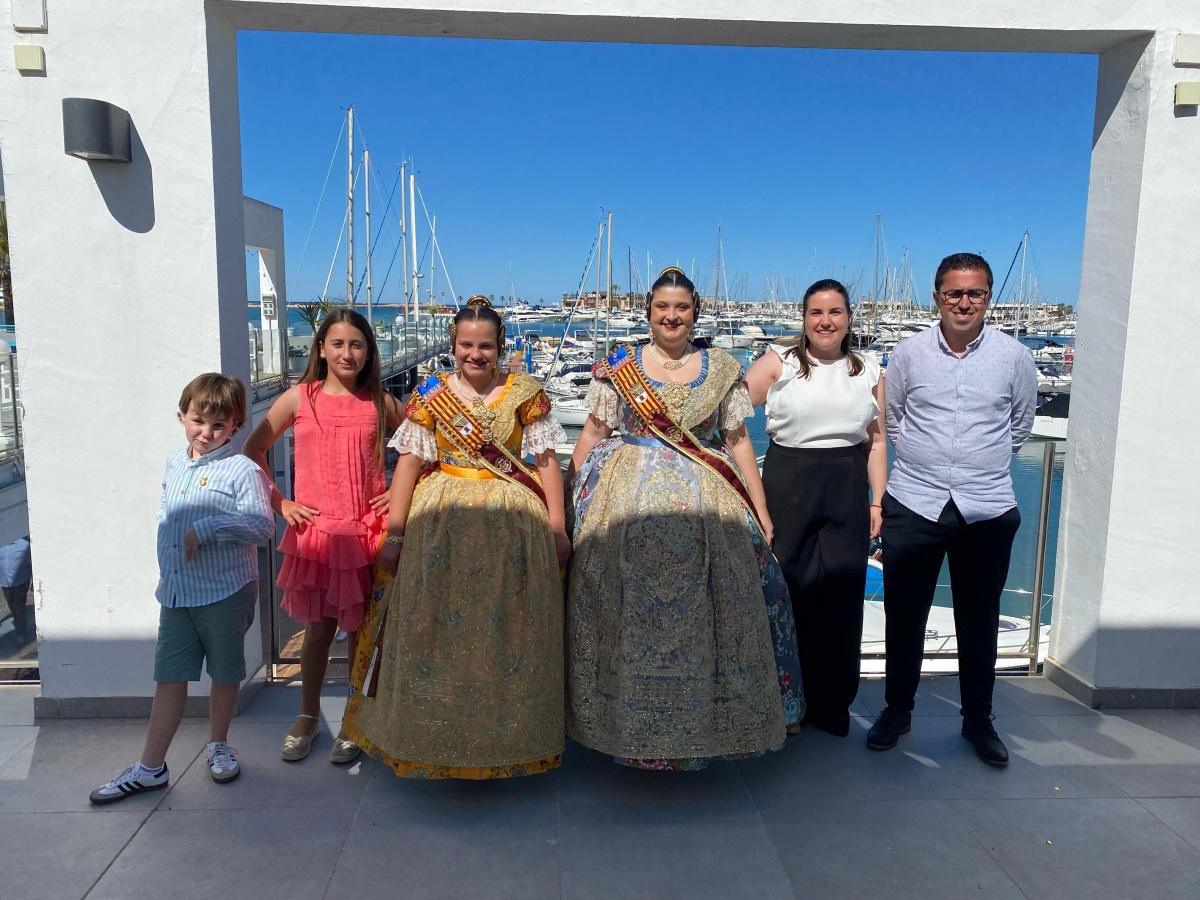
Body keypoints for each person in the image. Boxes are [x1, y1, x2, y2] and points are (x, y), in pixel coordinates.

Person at [566, 266, 803, 771]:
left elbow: (737, 440)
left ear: (695, 312)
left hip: (706, 500)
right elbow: (592, 432)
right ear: (648, 313)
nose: (672, 317)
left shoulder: (719, 366)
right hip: (624, 502)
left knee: (731, 597)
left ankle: (710, 726)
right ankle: (623, 726)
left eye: (682, 308)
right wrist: (568, 494)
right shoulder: (620, 366)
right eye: (662, 308)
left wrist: (759, 507)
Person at [342, 296, 570, 779]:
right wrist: (397, 532)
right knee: (435, 631)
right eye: (466, 344)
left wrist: (556, 526)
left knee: (504, 632)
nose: (475, 354)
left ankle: (507, 740)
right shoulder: (430, 395)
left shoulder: (526, 392)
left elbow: (546, 460)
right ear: (453, 345)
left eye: (485, 345)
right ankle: (431, 740)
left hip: (511, 521)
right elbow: (407, 462)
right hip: (440, 520)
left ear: (500, 346)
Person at [866, 252, 1037, 766]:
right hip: (915, 503)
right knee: (904, 616)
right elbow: (892, 421)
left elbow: (1020, 426)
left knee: (979, 619)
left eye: (975, 293)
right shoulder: (908, 354)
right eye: (954, 293)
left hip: (986, 508)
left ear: (988, 299)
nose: (964, 302)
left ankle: (978, 721)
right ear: (937, 296)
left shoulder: (1015, 358)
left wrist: (971, 466)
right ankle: (897, 710)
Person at [90, 374, 274, 803]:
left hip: (224, 592)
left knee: (225, 674)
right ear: (182, 417)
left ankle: (218, 743)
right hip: (176, 593)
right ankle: (150, 767)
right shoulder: (174, 462)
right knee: (169, 677)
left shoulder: (242, 470)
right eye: (198, 421)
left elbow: (262, 525)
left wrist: (208, 528)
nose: (206, 433)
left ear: (235, 426)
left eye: (218, 425)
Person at [244, 308, 402, 765]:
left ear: (369, 351)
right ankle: (308, 715)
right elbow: (253, 450)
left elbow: (422, 447)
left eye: (356, 344)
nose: (347, 353)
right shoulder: (300, 398)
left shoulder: (379, 401)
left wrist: (396, 492)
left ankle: (356, 720)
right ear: (321, 349)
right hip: (317, 536)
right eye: (338, 344)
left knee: (360, 633)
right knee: (317, 632)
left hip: (367, 535)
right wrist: (281, 504)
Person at [746, 278, 887, 737]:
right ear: (803, 319)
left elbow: (878, 441)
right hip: (790, 480)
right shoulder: (778, 363)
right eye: (816, 313)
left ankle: (833, 702)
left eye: (835, 312)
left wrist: (878, 499)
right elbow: (728, 419)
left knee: (844, 596)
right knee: (792, 590)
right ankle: (789, 701)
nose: (825, 321)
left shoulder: (867, 369)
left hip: (847, 483)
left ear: (849, 318)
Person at [0, 535, 33, 645]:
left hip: (21, 580)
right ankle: (20, 629)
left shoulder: (26, 543)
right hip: (4, 581)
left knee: (18, 607)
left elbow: (33, 562)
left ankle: (22, 634)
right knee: (13, 606)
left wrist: (33, 584)